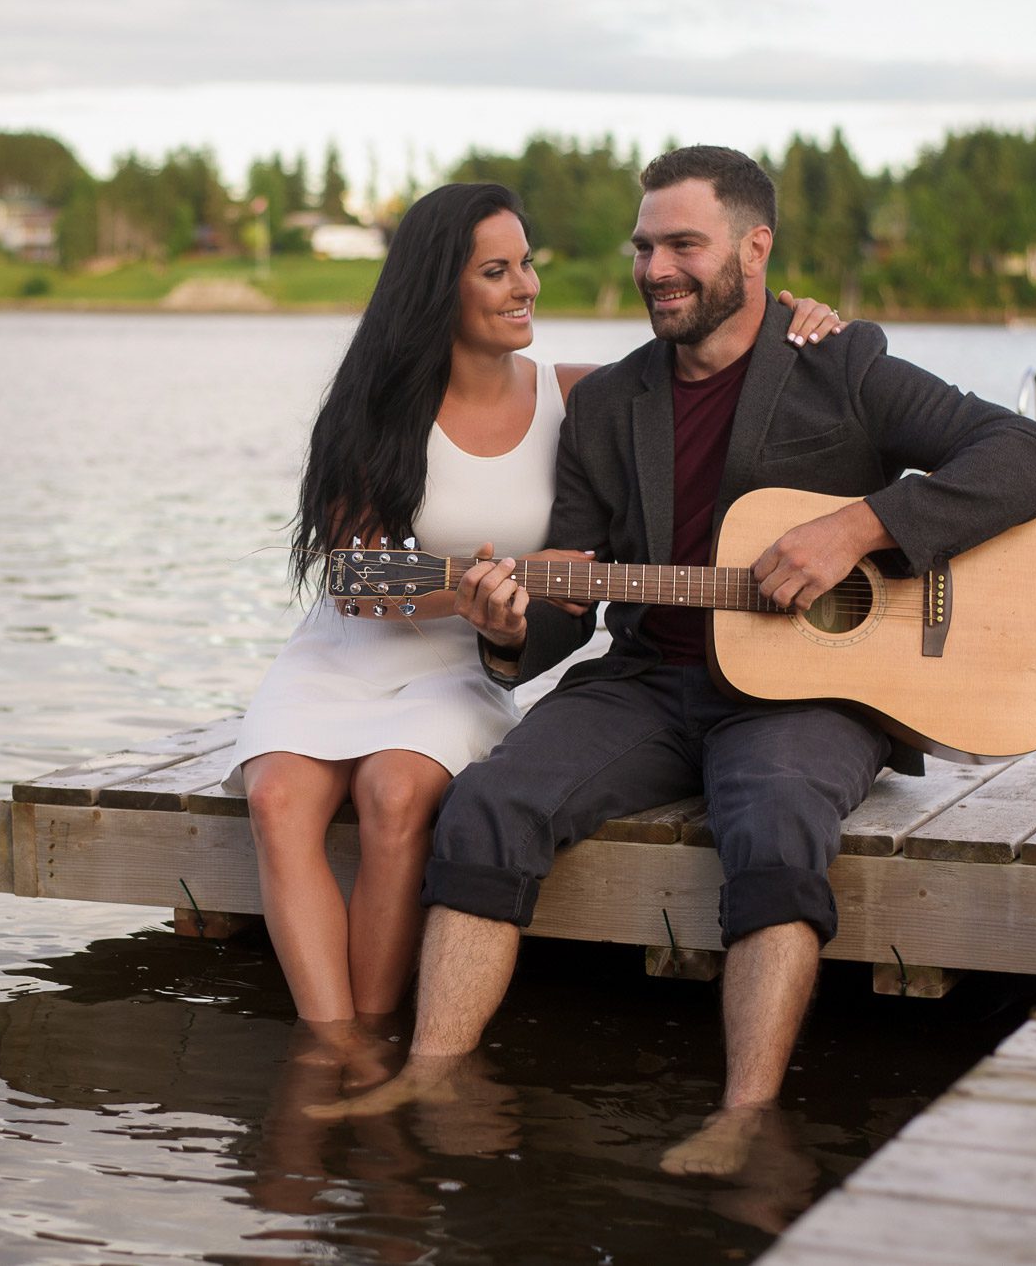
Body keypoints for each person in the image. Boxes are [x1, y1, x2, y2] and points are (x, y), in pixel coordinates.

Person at [311, 146, 1036, 1170]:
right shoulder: (609, 405)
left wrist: (857, 528)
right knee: (491, 802)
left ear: (754, 249)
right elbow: (568, 604)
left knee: (770, 823)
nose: (656, 267)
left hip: (803, 698)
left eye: (683, 243)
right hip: (646, 682)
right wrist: (505, 625)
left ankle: (743, 1112)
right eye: (643, 245)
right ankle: (432, 1067)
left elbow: (1031, 456)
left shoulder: (840, 367)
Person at [231, 182, 843, 1056]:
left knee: (395, 792)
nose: (525, 287)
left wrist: (798, 321)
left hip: (466, 662)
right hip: (348, 647)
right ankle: (334, 1052)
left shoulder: (577, 396)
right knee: (279, 793)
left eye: (527, 265)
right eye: (497, 270)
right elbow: (352, 576)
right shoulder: (375, 405)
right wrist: (480, 587)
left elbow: (710, 356)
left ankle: (374, 1032)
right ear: (438, 287)